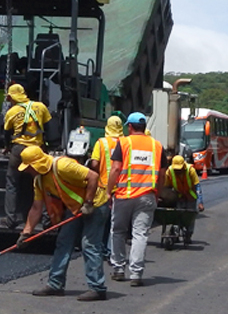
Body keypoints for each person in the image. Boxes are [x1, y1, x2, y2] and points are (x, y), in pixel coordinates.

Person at [17, 146, 110, 301]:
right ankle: (55, 284)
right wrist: (26, 233)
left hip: (96, 204)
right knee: (63, 241)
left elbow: (93, 177)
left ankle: (97, 288)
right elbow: (36, 208)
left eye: (29, 168)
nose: (27, 171)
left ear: (37, 164)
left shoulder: (62, 165)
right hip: (76, 208)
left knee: (89, 244)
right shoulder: (39, 180)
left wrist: (88, 203)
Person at [106, 112, 163, 287]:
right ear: (144, 127)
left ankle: (118, 269)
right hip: (147, 195)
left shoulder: (123, 143)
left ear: (129, 127)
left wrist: (109, 191)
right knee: (140, 234)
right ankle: (136, 274)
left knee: (118, 232)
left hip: (124, 195)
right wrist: (157, 192)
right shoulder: (156, 146)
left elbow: (115, 169)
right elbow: (162, 173)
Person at [2, 84, 52, 229]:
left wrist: (7, 147)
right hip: (37, 150)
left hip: (18, 150)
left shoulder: (12, 112)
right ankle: (46, 220)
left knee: (12, 182)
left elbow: (6, 134)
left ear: (12, 97)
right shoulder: (41, 107)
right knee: (43, 183)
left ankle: (10, 219)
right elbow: (49, 129)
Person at [88, 115, 124, 257]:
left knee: (101, 220)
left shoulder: (101, 143)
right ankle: (111, 252)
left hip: (103, 187)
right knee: (115, 224)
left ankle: (101, 249)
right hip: (121, 188)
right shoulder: (125, 142)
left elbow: (95, 163)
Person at [159, 155, 205, 237]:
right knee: (178, 215)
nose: (178, 171)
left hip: (191, 196)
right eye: (176, 169)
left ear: (183, 166)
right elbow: (166, 186)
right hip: (179, 196)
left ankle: (189, 233)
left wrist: (200, 202)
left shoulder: (190, 170)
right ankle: (176, 232)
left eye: (179, 169)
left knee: (189, 217)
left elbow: (197, 186)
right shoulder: (169, 171)